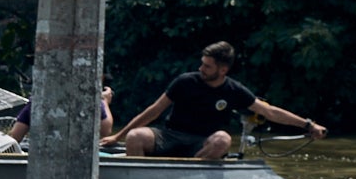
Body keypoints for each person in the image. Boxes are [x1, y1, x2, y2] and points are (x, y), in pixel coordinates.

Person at [112, 42, 327, 160]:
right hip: (170, 135)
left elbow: (270, 112)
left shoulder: (234, 90)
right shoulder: (185, 81)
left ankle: (190, 176)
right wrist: (117, 137)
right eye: (202, 63)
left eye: (207, 66)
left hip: (202, 142)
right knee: (135, 137)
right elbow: (153, 111)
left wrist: (308, 125)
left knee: (223, 140)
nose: (201, 69)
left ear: (223, 70)